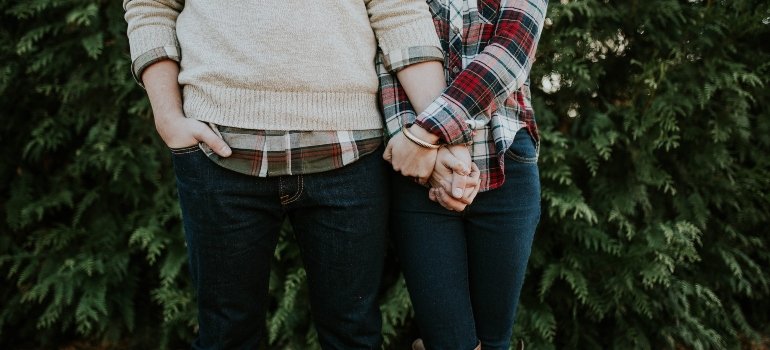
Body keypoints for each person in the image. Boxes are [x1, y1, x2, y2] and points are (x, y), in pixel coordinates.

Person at [122, 1, 446, 348]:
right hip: (218, 151)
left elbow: (398, 10)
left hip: (350, 151)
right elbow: (151, 5)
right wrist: (167, 117)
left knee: (353, 335)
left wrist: (440, 129)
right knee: (226, 335)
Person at [378, 0, 549, 349]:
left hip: (504, 163)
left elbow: (511, 52)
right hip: (420, 172)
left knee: (494, 340)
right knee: (448, 341)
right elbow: (388, 51)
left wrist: (426, 133)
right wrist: (420, 148)